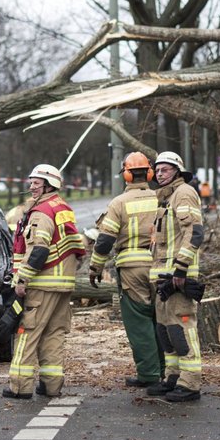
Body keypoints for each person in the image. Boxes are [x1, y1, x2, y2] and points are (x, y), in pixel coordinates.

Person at [4, 164, 86, 399]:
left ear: (50, 185)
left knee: (27, 332)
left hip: (42, 284)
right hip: (63, 284)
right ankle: (51, 385)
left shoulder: (41, 212)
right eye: (31, 183)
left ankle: (20, 386)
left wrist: (23, 279)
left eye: (36, 183)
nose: (31, 187)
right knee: (54, 334)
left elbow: (39, 250)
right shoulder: (64, 208)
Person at [88, 152, 164, 389]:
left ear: (127, 175)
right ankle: (166, 371)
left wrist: (95, 267)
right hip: (161, 266)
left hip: (132, 269)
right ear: (149, 173)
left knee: (139, 321)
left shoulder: (119, 203)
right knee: (161, 319)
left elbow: (104, 241)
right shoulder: (161, 197)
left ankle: (150, 374)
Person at [147, 151, 204, 403]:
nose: (160, 174)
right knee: (165, 330)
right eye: (157, 170)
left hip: (177, 277)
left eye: (165, 170)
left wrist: (181, 269)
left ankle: (190, 383)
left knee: (182, 329)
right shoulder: (165, 199)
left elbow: (194, 232)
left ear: (178, 172)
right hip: (163, 277)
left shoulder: (184, 193)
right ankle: (173, 377)